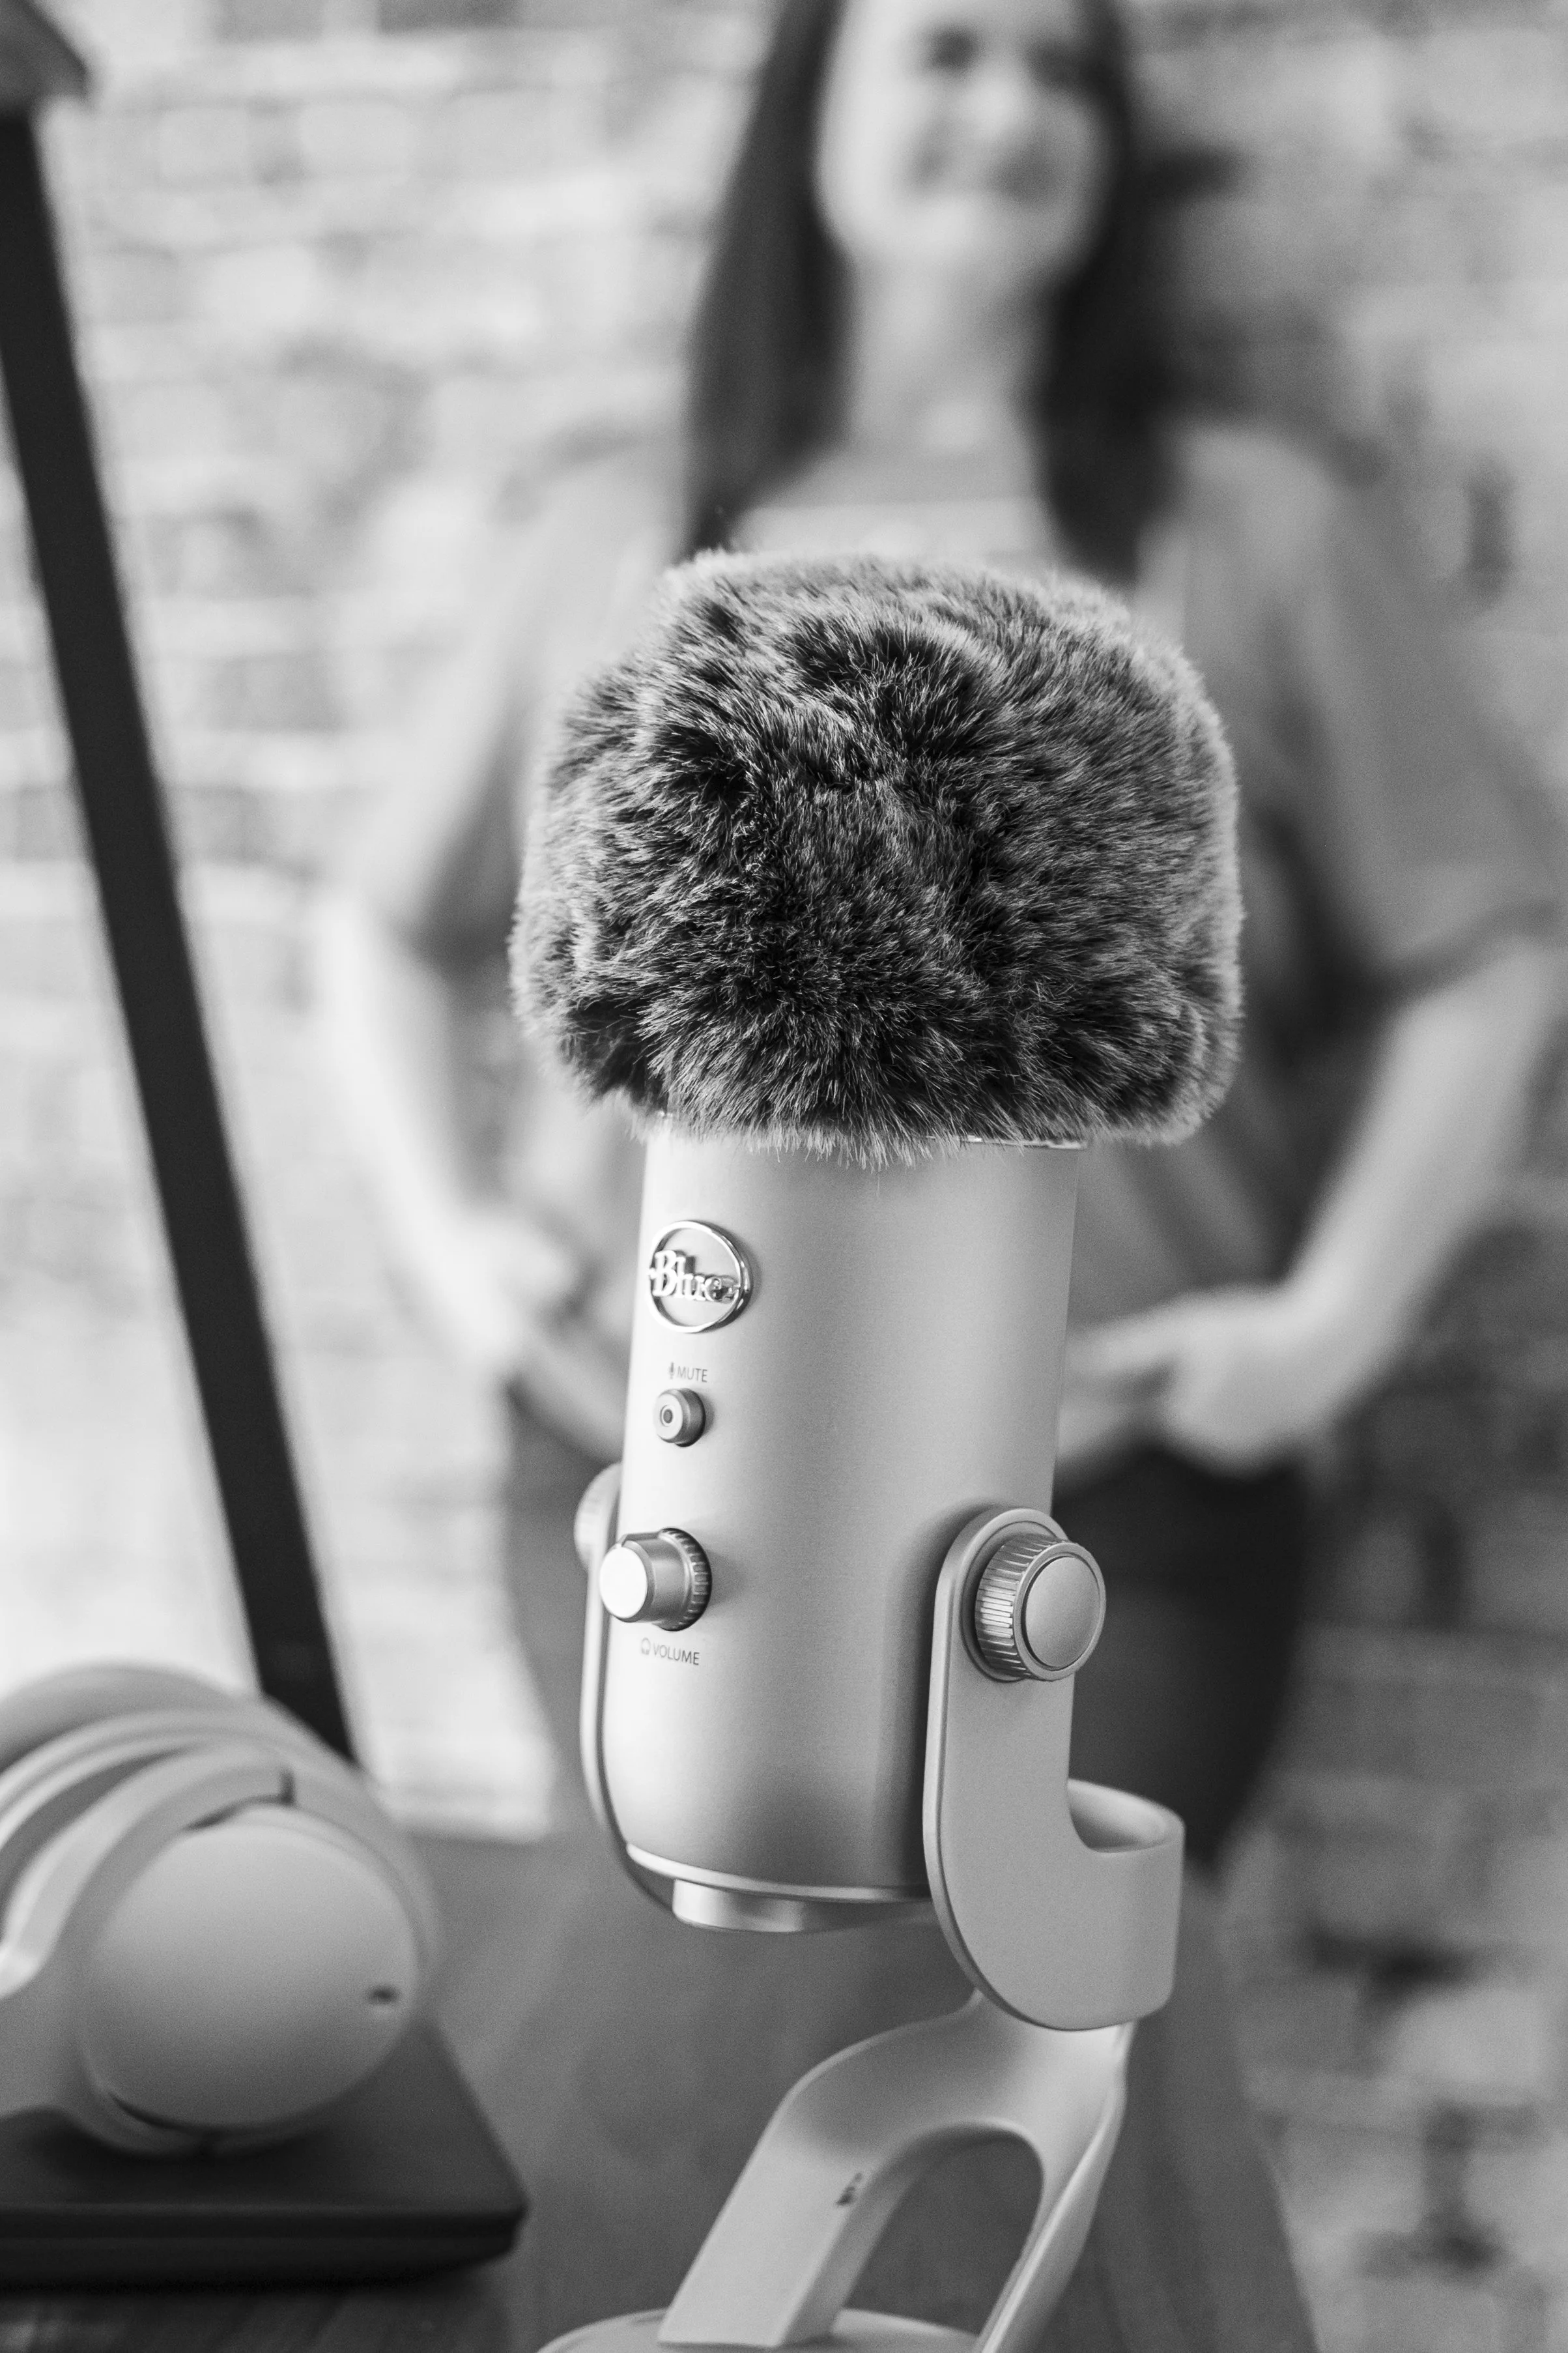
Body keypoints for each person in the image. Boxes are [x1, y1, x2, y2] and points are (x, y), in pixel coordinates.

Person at [324, 0, 1560, 1872]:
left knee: (1053, 2067)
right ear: (810, 115)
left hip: (1101, 1508)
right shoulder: (615, 529)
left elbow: (1477, 956)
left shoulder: (1257, 530)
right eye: (950, 50)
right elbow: (376, 927)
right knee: (680, 2085)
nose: (1009, 107)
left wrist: (1329, 1327)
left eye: (1061, 69)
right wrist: (445, 1247)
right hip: (638, 1472)